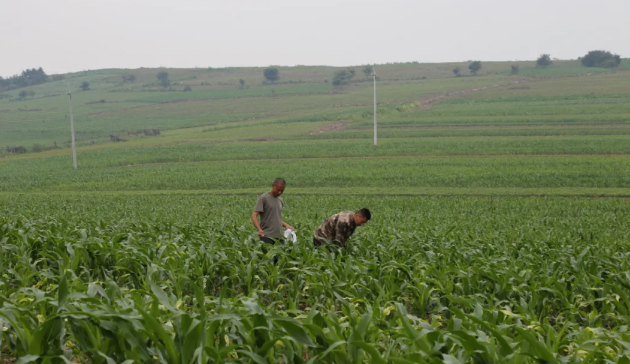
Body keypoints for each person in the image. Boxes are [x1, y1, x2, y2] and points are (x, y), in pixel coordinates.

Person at [252, 178, 294, 245]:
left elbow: (276, 218)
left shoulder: (280, 201)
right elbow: (254, 215)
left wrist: (286, 225)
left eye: (282, 190)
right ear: (273, 186)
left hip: (279, 237)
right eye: (278, 190)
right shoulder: (263, 198)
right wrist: (259, 229)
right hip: (267, 236)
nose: (280, 192)